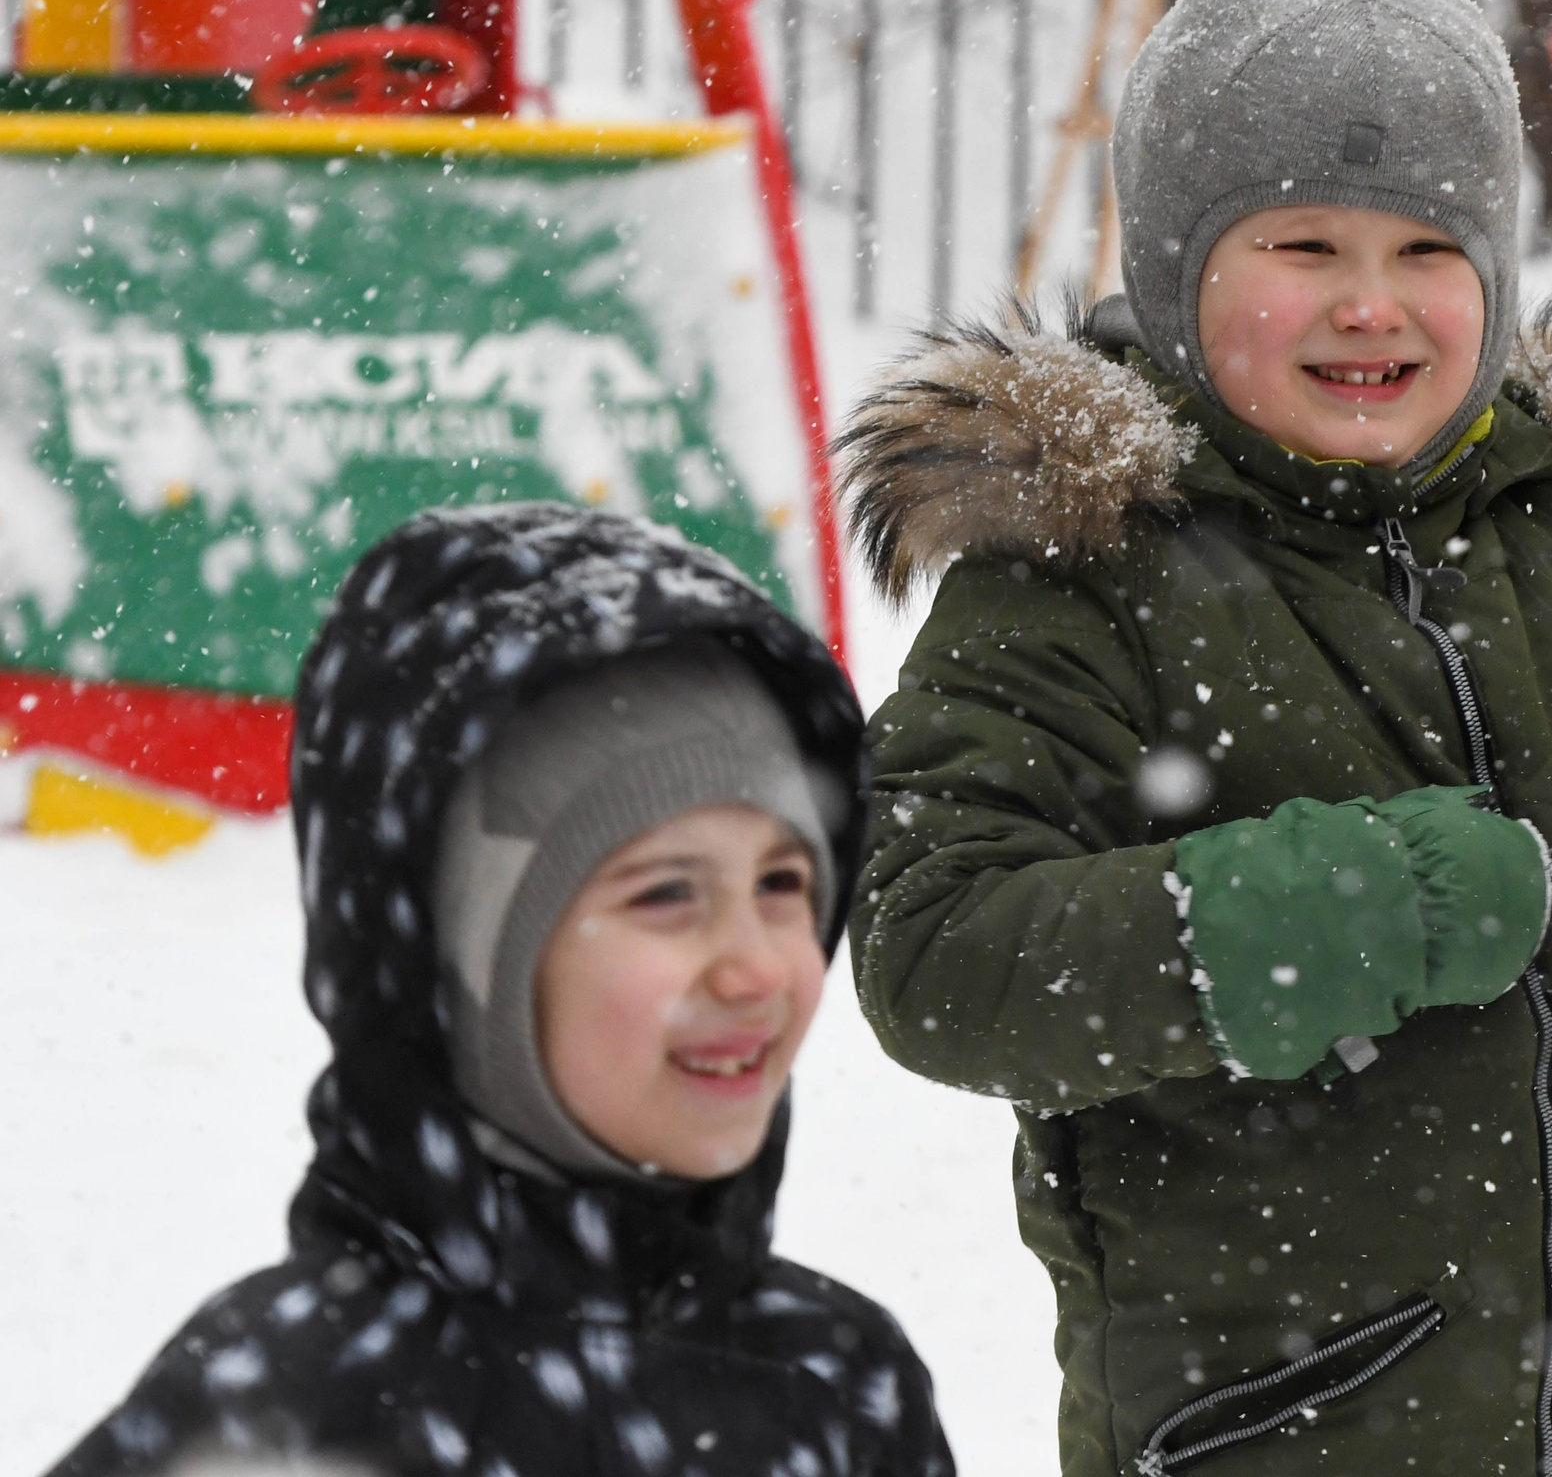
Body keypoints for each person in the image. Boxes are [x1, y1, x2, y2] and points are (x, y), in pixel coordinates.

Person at [836, 0, 1552, 1477]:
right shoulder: (1083, 567)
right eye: (1305, 247)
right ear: (1177, 272)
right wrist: (1330, 908)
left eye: (1430, 253)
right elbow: (938, 952)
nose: (1374, 305)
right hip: (1276, 1425)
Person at [48, 503, 953, 1477]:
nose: (757, 967)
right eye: (666, 894)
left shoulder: (839, 1385)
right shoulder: (288, 1403)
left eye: (783, 884)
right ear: (464, 967)